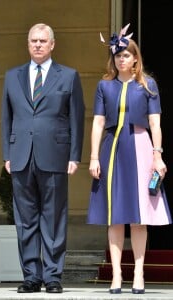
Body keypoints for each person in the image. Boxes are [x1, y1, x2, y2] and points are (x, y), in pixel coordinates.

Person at [87, 24, 172, 295]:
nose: (121, 59)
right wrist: (92, 157)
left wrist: (157, 155)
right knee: (115, 217)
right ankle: (116, 275)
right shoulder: (104, 85)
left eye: (126, 55)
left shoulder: (148, 85)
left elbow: (155, 123)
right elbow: (98, 123)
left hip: (140, 146)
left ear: (135, 58)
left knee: (138, 217)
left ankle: (138, 273)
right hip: (111, 149)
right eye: (117, 55)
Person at [1, 23, 85, 293]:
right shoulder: (12, 76)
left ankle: (52, 276)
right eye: (33, 41)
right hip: (21, 154)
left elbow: (76, 118)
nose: (37, 45)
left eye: (42, 41)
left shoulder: (69, 76)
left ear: (52, 44)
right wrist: (7, 153)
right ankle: (31, 276)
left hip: (55, 154)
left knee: (54, 216)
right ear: (28, 44)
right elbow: (7, 117)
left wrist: (74, 155)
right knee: (25, 219)